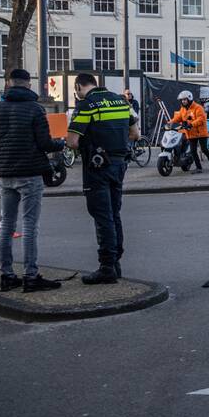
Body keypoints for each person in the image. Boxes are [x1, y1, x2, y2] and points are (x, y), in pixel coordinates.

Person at [0, 69, 65, 292]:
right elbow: (45, 143)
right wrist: (61, 144)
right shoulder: (35, 109)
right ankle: (31, 276)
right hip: (31, 174)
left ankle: (6, 275)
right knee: (29, 226)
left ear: (8, 84)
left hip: (6, 175)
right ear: (28, 84)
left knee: (6, 225)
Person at [66, 73, 138, 284]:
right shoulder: (120, 101)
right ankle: (115, 263)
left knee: (102, 215)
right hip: (119, 164)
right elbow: (135, 133)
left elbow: (72, 141)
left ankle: (106, 266)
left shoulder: (86, 105)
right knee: (114, 213)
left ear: (79, 87)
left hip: (97, 167)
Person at [170, 91, 209, 173]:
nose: (183, 101)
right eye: (182, 100)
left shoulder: (198, 108)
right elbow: (178, 117)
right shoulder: (182, 109)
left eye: (185, 100)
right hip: (191, 133)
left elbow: (201, 119)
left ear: (189, 99)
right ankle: (199, 168)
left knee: (204, 149)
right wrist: (170, 122)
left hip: (201, 132)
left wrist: (191, 124)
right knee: (193, 151)